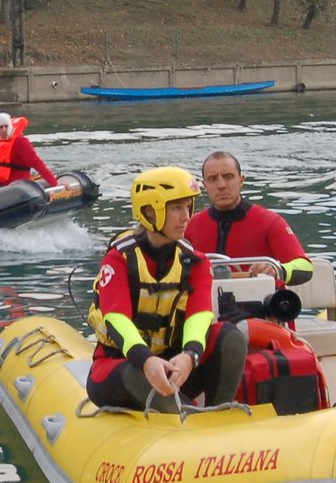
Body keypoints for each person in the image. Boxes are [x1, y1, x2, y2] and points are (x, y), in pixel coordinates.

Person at [86, 167, 244, 411]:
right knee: (138, 373)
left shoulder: (196, 261)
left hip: (175, 365)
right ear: (149, 211)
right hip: (124, 365)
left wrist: (190, 355)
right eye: (176, 208)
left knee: (231, 337)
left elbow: (199, 314)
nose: (186, 217)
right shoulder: (119, 259)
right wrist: (146, 360)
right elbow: (116, 319)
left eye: (188, 207)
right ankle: (185, 416)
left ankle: (217, 414)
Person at [187, 151, 314, 286]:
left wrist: (277, 269)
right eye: (213, 179)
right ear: (204, 185)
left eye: (228, 177)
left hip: (262, 303)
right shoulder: (191, 225)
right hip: (208, 304)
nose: (221, 185)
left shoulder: (269, 222)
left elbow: (305, 267)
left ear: (241, 180)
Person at [0, 112, 58, 187]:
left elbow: (37, 163)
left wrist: (54, 183)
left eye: (6, 126)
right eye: (0, 127)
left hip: (19, 187)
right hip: (0, 186)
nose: (4, 130)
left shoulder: (20, 142)